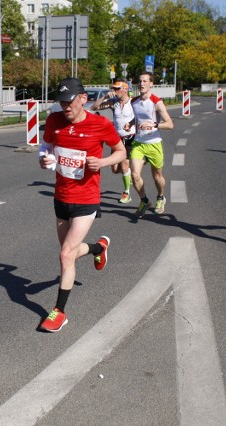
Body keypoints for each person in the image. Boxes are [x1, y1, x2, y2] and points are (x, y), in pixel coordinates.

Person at [38, 77, 126, 332]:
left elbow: (120, 151)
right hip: (61, 196)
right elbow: (47, 146)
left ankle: (59, 312)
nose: (65, 107)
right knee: (71, 253)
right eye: (61, 102)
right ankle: (99, 248)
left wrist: (104, 163)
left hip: (86, 199)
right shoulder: (54, 121)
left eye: (69, 102)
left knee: (66, 255)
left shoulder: (100, 124)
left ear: (83, 99)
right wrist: (44, 158)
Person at [123, 71, 174, 217]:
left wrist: (155, 125)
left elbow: (170, 124)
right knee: (134, 174)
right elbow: (137, 118)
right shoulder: (134, 102)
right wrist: (130, 123)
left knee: (157, 176)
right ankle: (144, 200)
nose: (142, 84)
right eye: (140, 81)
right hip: (139, 143)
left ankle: (160, 197)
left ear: (151, 84)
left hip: (154, 143)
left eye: (145, 81)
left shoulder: (157, 102)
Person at [90, 78, 135, 203]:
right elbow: (94, 107)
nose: (114, 91)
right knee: (115, 169)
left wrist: (131, 124)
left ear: (125, 89)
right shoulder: (113, 102)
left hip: (129, 137)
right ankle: (128, 174)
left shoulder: (133, 102)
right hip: (117, 139)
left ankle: (127, 192)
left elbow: (138, 117)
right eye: (113, 88)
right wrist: (104, 96)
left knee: (124, 165)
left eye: (117, 89)